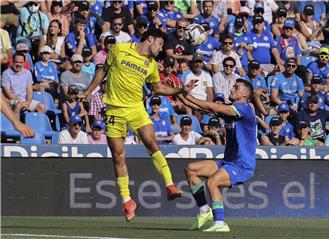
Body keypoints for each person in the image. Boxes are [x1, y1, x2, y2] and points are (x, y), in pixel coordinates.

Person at [78, 28, 186, 222]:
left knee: (152, 143)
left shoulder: (151, 64)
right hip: (113, 110)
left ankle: (170, 186)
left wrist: (179, 89)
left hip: (136, 108)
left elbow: (157, 88)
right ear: (150, 39)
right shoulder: (118, 49)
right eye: (160, 44)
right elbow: (103, 71)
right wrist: (87, 92)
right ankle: (127, 201)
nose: (161, 49)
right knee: (118, 157)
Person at [179, 79, 256, 232]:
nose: (232, 88)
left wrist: (186, 95)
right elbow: (197, 107)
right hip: (227, 162)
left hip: (242, 165)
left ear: (245, 94)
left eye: (236, 87)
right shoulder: (231, 110)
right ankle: (204, 210)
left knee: (212, 182)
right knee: (191, 169)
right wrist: (180, 93)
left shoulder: (245, 109)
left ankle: (220, 224)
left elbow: (210, 105)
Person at [2, 52, 46, 119]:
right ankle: (17, 127)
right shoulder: (6, 74)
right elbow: (8, 92)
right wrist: (20, 101)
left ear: (24, 62)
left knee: (41, 106)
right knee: (19, 105)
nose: (18, 64)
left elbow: (29, 90)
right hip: (11, 100)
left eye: (21, 62)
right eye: (16, 62)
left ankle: (36, 127)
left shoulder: (27, 73)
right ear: (12, 62)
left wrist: (28, 102)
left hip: (25, 100)